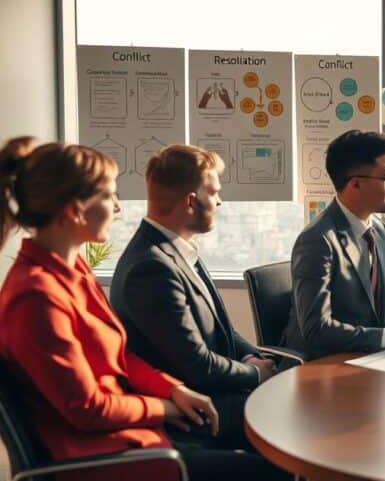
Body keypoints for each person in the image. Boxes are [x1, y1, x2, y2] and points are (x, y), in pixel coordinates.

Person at [0, 137, 285, 480]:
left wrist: (172, 389)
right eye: (108, 196)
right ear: (75, 209)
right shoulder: (35, 295)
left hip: (136, 435)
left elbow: (119, 356)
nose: (119, 208)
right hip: (106, 455)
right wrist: (163, 407)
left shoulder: (72, 270)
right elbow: (88, 409)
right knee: (274, 471)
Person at [110, 144, 275, 450]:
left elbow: (222, 330)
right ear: (190, 201)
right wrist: (255, 374)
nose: (220, 201)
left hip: (219, 394)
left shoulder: (177, 251)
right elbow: (197, 366)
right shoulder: (151, 268)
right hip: (198, 414)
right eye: (213, 193)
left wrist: (254, 357)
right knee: (297, 422)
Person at [282, 130, 385, 357]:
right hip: (323, 367)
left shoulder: (380, 230)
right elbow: (317, 329)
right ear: (355, 184)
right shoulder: (317, 240)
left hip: (372, 360)